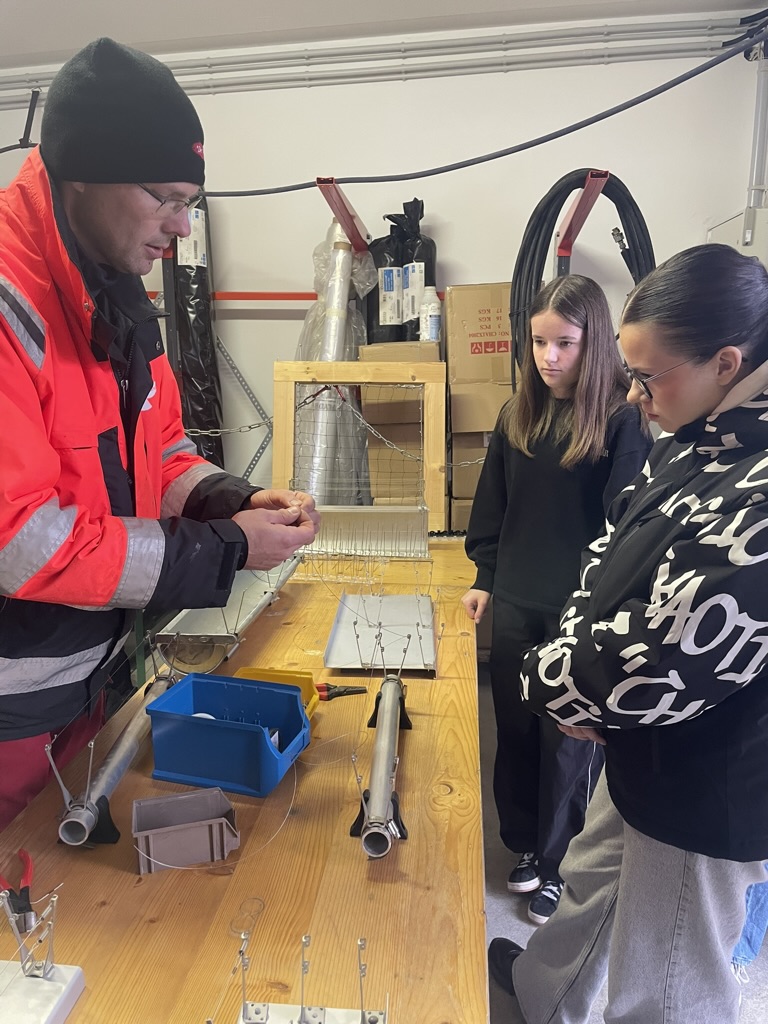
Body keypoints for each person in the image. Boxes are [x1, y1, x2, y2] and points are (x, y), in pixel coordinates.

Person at [0, 38, 320, 831]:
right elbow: (21, 542)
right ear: (82, 172)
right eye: (164, 198)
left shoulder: (112, 289)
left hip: (90, 677)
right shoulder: (12, 306)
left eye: (190, 203)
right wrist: (226, 550)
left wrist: (230, 501)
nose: (179, 228)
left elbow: (160, 451)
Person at [488, 243, 768, 1024]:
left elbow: (680, 648)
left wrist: (564, 688)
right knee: (595, 881)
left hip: (710, 778)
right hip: (641, 737)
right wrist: (580, 685)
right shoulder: (697, 432)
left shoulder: (757, 480)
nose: (635, 395)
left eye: (648, 377)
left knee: (670, 969)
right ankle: (547, 997)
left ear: (725, 363)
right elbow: (610, 550)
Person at [461, 275, 651, 923]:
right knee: (514, 729)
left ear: (594, 342)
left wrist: (606, 611)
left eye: (565, 343)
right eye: (539, 342)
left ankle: (558, 864)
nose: (549, 357)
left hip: (579, 612)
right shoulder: (516, 415)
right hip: (517, 601)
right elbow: (493, 505)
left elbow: (624, 528)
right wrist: (485, 577)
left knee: (568, 745)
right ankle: (523, 844)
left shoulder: (622, 421)